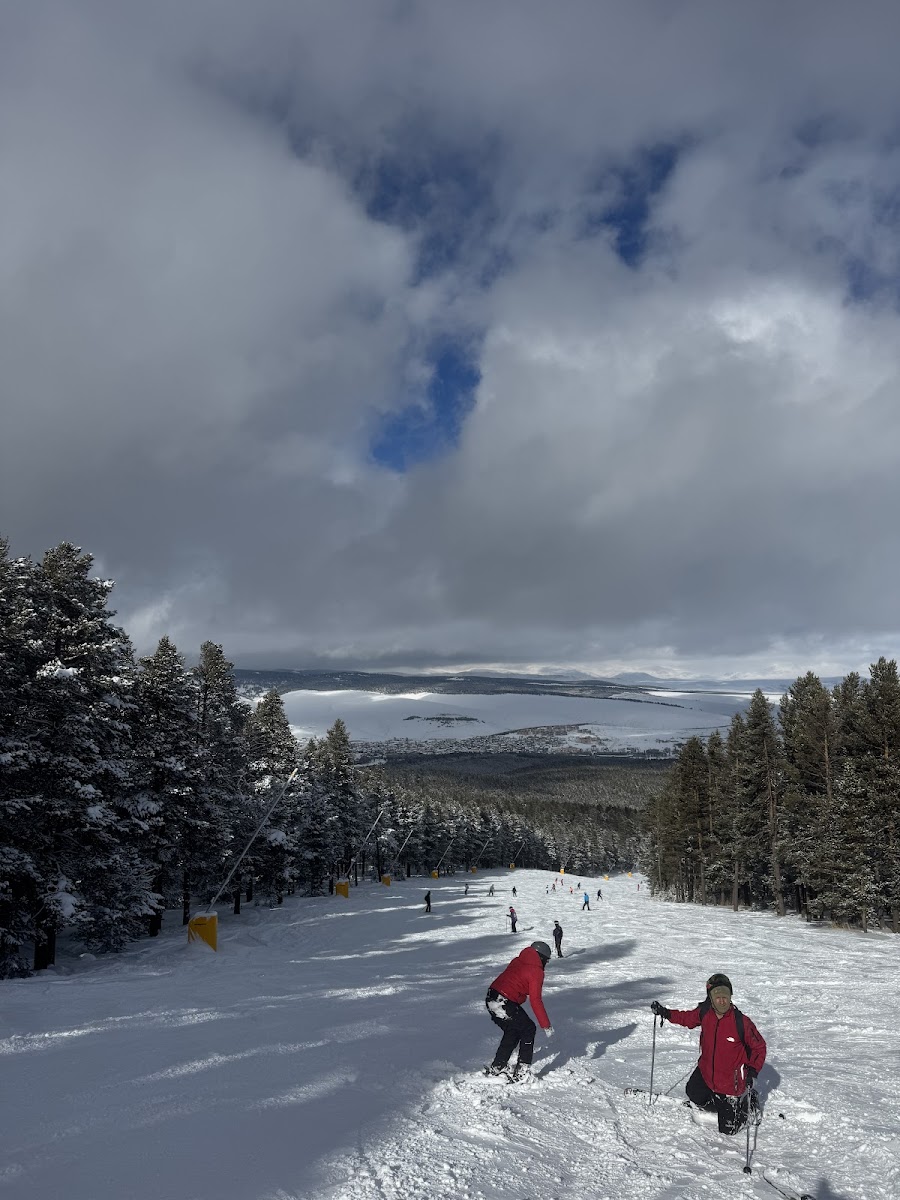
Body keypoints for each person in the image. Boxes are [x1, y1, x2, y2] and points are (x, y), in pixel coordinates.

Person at [650, 973, 766, 1135]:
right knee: (694, 1093)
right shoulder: (705, 1013)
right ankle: (720, 1104)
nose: (722, 1000)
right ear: (711, 998)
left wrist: (752, 1071)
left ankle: (747, 1103)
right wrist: (666, 1013)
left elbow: (759, 1047)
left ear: (730, 997)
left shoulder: (742, 1023)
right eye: (717, 996)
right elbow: (687, 1018)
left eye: (725, 996)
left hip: (729, 1082)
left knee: (728, 1131)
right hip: (706, 1071)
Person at [484, 941, 553, 1081]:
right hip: (503, 1002)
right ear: (541, 958)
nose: (546, 964)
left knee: (513, 1031)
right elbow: (536, 1000)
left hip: (491, 998)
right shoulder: (536, 970)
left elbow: (514, 984)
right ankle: (522, 1072)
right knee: (528, 1028)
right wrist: (545, 1024)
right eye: (546, 960)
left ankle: (498, 1066)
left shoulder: (518, 961)